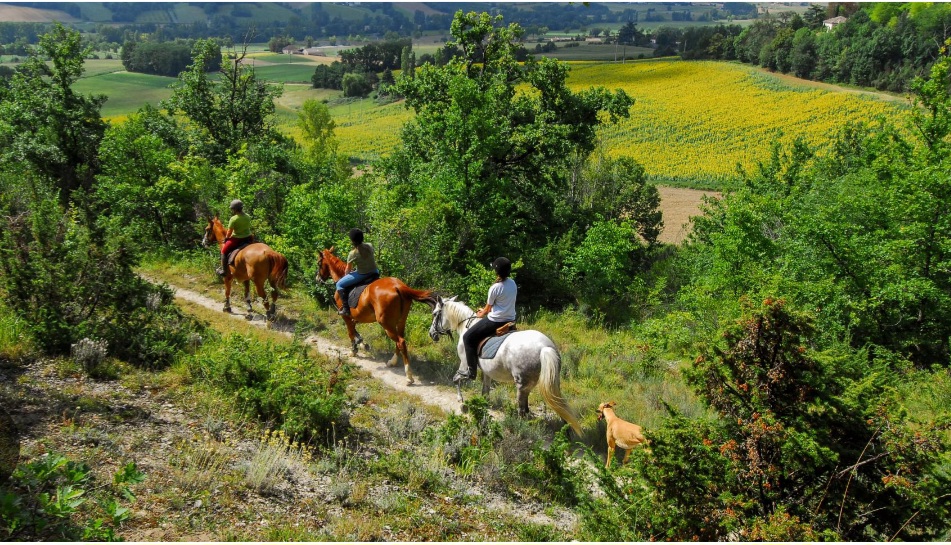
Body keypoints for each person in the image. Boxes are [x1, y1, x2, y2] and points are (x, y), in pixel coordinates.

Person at [454, 257, 517, 384]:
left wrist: (480, 313)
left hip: (495, 321)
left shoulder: (495, 288)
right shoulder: (513, 283)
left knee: (467, 338)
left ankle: (471, 372)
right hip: (510, 320)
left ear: (497, 271)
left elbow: (487, 310)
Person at [335, 228, 380, 316]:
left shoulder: (353, 253)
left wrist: (346, 277)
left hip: (363, 274)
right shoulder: (370, 245)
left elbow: (347, 270)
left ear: (352, 240)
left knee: (339, 284)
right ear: (362, 238)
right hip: (375, 271)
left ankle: (346, 309)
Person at [217, 199, 254, 276]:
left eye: (232, 209)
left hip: (237, 239)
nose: (232, 210)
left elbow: (229, 232)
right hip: (248, 237)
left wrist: (227, 238)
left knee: (223, 251)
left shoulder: (233, 219)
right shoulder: (247, 216)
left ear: (235, 209)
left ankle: (224, 271)